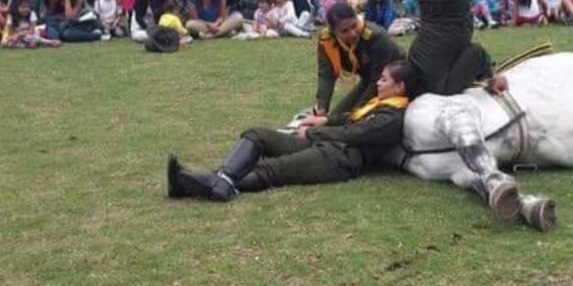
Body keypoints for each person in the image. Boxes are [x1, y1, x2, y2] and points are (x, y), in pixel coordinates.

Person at [168, 60, 417, 201]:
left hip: (339, 159)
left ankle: (204, 184)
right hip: (326, 145)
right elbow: (349, 120)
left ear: (400, 87)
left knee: (271, 170)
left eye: (384, 79)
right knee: (257, 136)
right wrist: (323, 121)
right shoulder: (379, 104)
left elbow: (354, 134)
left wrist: (312, 133)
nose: (378, 82)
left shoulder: (392, 117)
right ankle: (220, 181)